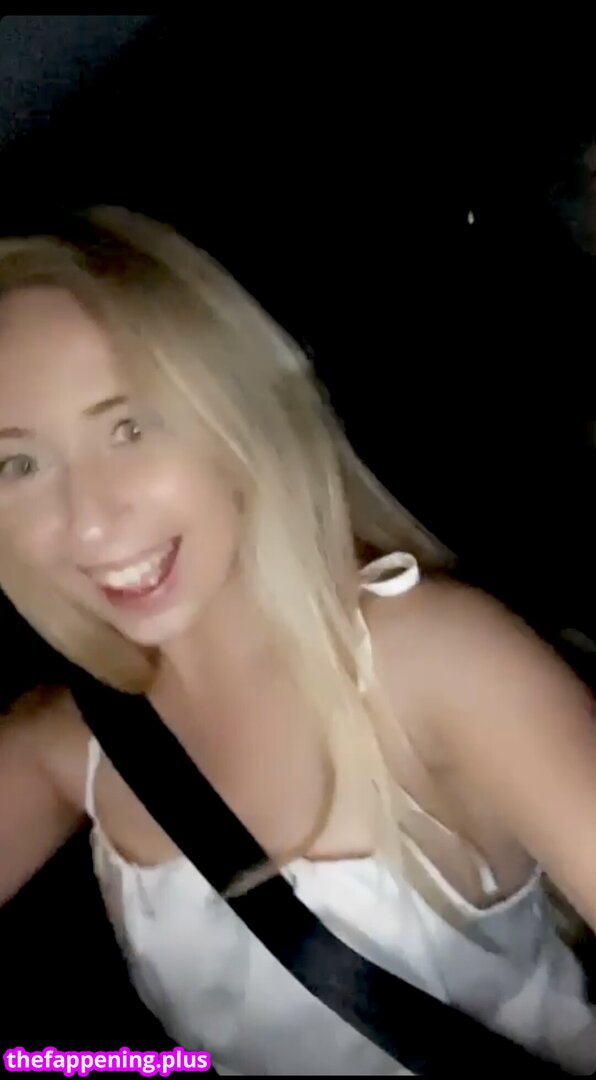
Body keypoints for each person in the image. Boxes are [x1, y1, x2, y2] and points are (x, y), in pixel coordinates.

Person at [1, 208, 596, 1076]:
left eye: (130, 427)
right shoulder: (71, 742)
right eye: (18, 465)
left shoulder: (436, 664)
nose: (89, 522)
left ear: (238, 409)